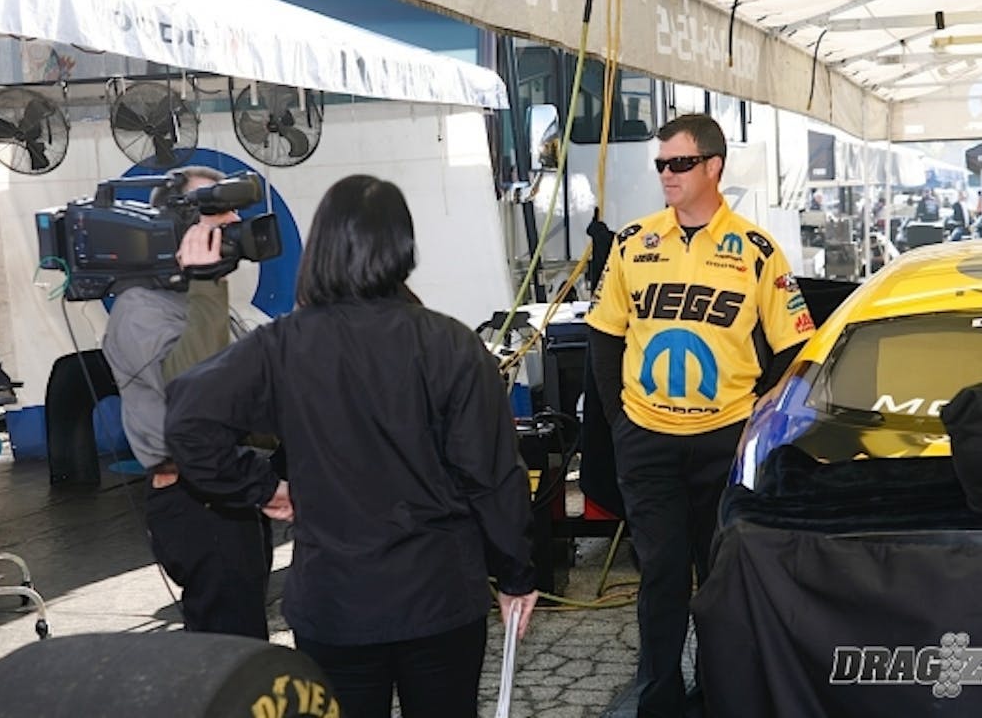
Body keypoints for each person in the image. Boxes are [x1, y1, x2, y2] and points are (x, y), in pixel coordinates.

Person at [163, 175, 539, 718]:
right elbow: (492, 475)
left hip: (334, 605)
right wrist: (516, 575)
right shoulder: (453, 345)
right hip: (439, 599)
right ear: (403, 247)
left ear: (321, 248)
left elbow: (188, 418)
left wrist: (262, 488)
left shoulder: (282, 345)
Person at [586, 114, 815, 717]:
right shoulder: (633, 243)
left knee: (720, 579)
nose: (666, 174)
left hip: (724, 444)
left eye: (679, 163)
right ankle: (656, 699)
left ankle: (722, 693)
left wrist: (756, 414)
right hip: (648, 441)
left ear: (713, 167)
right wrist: (620, 421)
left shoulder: (758, 251)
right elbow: (604, 337)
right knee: (661, 575)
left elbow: (796, 348)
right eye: (660, 163)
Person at [102, 164, 281, 640]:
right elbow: (196, 386)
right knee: (228, 642)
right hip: (193, 502)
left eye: (228, 211)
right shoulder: (139, 308)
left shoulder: (206, 299)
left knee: (245, 634)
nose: (225, 223)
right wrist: (207, 284)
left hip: (231, 490)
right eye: (210, 211)